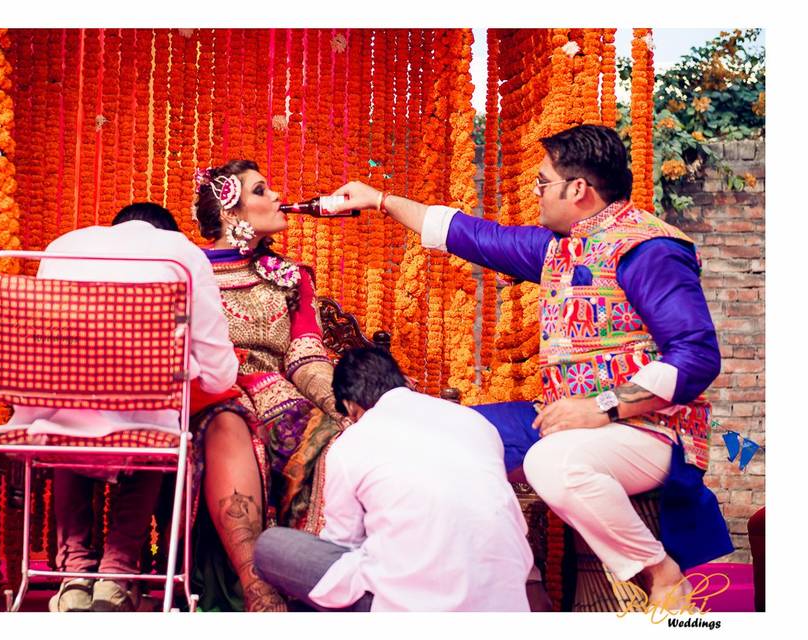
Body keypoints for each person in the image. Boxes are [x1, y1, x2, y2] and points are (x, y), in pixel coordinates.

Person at [330, 124, 733, 606]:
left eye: (543, 183)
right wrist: (380, 200)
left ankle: (661, 575)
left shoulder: (649, 249)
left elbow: (696, 356)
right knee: (442, 437)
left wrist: (601, 408)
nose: (535, 192)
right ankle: (481, 591)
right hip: (566, 419)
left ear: (577, 189)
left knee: (551, 462)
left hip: (650, 429)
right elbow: (471, 234)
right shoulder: (559, 248)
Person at [0, 202, 238, 612]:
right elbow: (220, 374)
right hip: (144, 425)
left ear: (115, 228)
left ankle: (74, 574)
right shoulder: (180, 253)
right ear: (169, 230)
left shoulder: (62, 247)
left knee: (68, 412)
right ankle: (118, 573)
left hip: (50, 424)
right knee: (156, 423)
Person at [252, 347, 533, 611]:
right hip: (505, 600)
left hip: (416, 607)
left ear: (350, 407)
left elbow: (341, 542)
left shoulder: (352, 442)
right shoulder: (475, 422)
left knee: (270, 547)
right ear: (401, 383)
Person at [187, 159, 348, 612]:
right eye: (261, 190)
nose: (278, 196)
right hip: (212, 396)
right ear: (229, 208)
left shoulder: (291, 277)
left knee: (337, 437)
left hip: (282, 397)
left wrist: (344, 404)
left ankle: (320, 587)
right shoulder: (188, 271)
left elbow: (305, 354)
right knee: (234, 426)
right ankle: (257, 586)